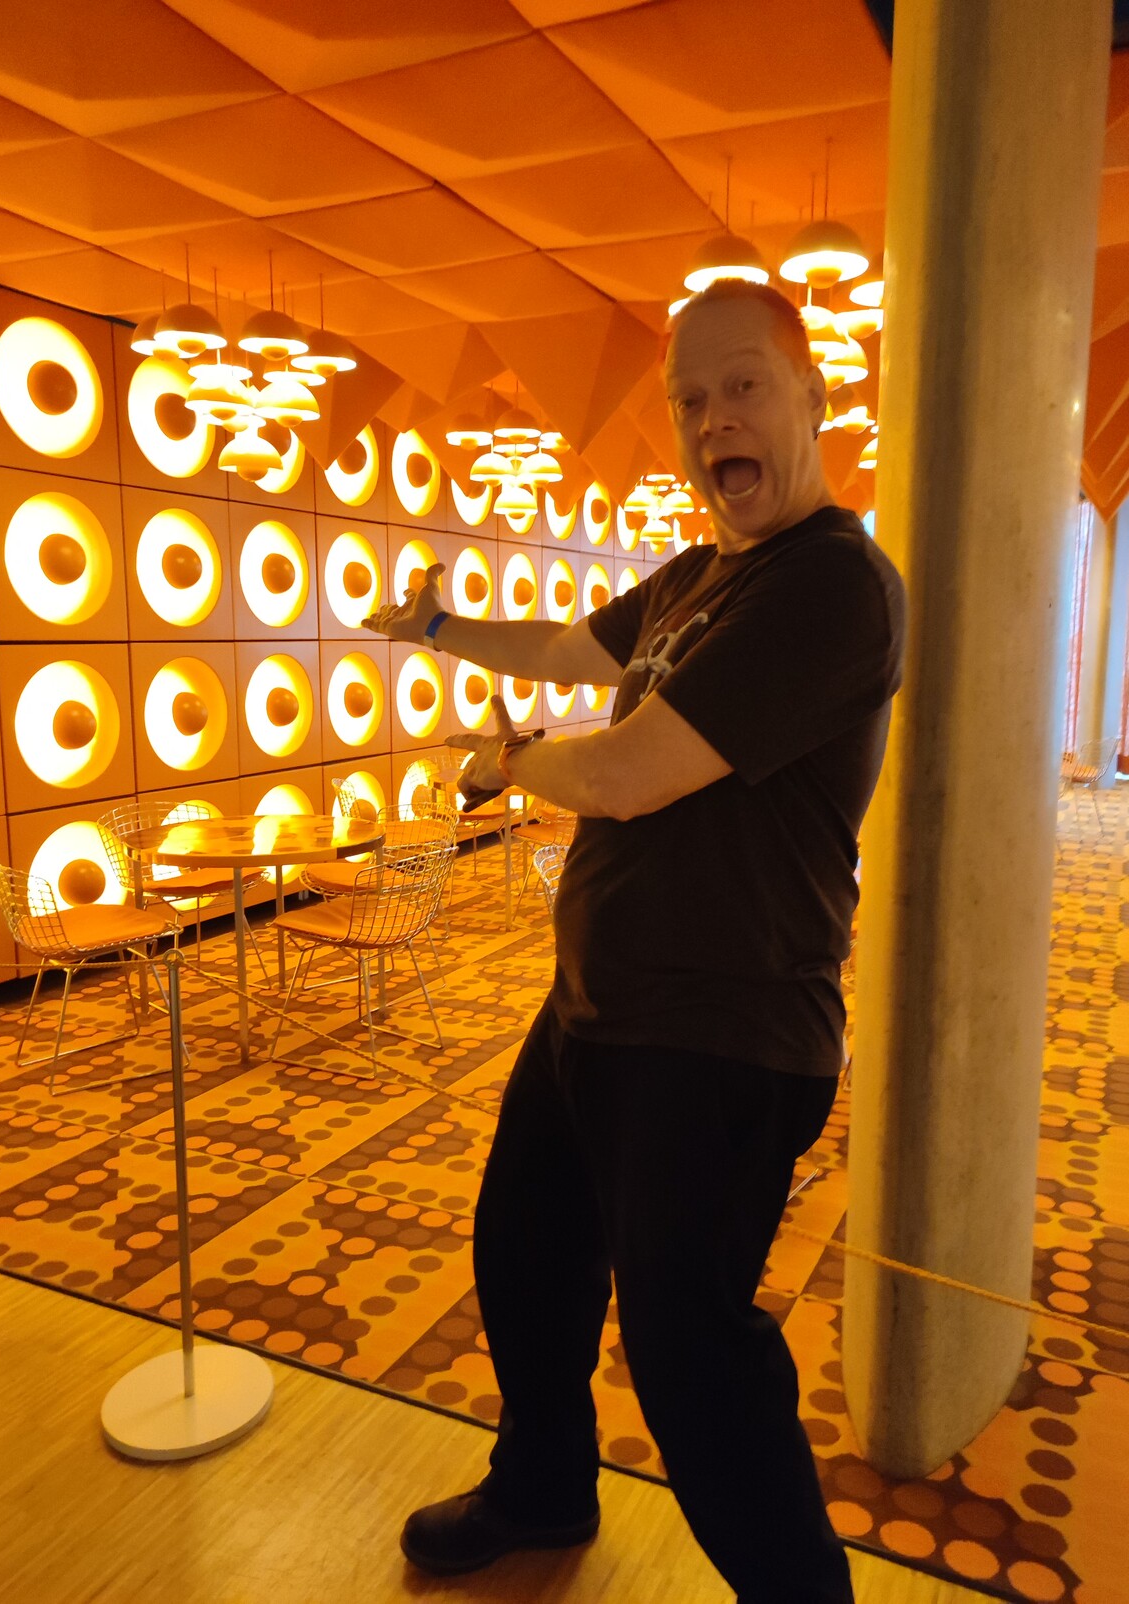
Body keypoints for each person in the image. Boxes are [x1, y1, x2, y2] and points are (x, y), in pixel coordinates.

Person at [362, 277, 905, 1604]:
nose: (715, 418)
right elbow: (569, 646)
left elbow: (624, 774)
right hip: (597, 1005)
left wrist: (510, 760)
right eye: (689, 397)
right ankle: (543, 1483)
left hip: (722, 1033)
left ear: (812, 397)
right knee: (526, 1250)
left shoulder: (834, 583)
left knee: (690, 1352)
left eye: (744, 385)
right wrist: (435, 626)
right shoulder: (699, 579)